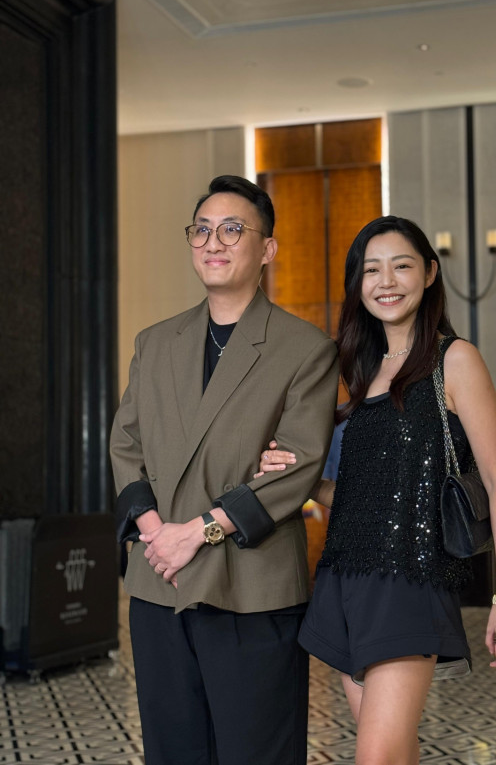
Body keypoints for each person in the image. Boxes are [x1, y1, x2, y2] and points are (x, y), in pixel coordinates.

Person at [257, 215, 496, 765]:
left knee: (375, 755)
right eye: (372, 270)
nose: (387, 281)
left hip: (411, 582)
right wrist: (297, 478)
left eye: (401, 266)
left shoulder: (455, 360)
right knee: (395, 751)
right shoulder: (359, 370)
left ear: (429, 273)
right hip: (343, 578)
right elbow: (361, 498)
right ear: (358, 284)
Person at [110, 175, 339, 765]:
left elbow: (297, 464)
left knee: (256, 751)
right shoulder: (155, 343)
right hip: (160, 583)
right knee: (173, 750)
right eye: (202, 230)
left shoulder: (304, 348)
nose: (214, 242)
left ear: (267, 249)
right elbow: (126, 443)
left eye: (233, 229)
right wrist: (158, 535)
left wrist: (195, 532)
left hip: (252, 587)